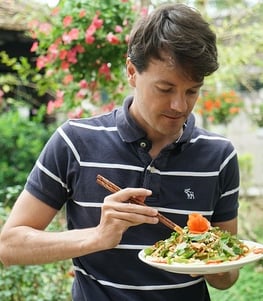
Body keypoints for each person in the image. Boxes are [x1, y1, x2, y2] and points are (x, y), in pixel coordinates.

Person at [0, 3, 240, 301]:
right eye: (165, 89)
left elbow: (227, 278)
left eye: (192, 91)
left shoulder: (219, 156)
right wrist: (98, 236)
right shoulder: (75, 142)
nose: (180, 106)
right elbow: (9, 246)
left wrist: (211, 260)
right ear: (131, 72)